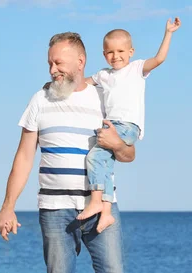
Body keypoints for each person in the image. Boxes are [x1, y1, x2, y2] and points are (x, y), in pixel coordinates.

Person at [0, 32, 136, 273]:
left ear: (80, 62)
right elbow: (24, 156)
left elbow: (128, 154)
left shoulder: (105, 97)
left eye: (59, 62)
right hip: (54, 210)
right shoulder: (40, 99)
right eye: (49, 63)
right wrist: (8, 206)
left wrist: (118, 143)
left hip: (102, 206)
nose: (53, 69)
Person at [76, 17, 182, 233]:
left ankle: (96, 202)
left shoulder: (136, 68)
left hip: (126, 125)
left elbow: (159, 58)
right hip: (111, 125)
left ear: (131, 52)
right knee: (104, 164)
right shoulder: (104, 75)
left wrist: (169, 33)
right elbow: (83, 83)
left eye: (121, 51)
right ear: (104, 54)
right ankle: (106, 213)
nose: (116, 56)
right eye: (110, 52)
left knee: (95, 157)